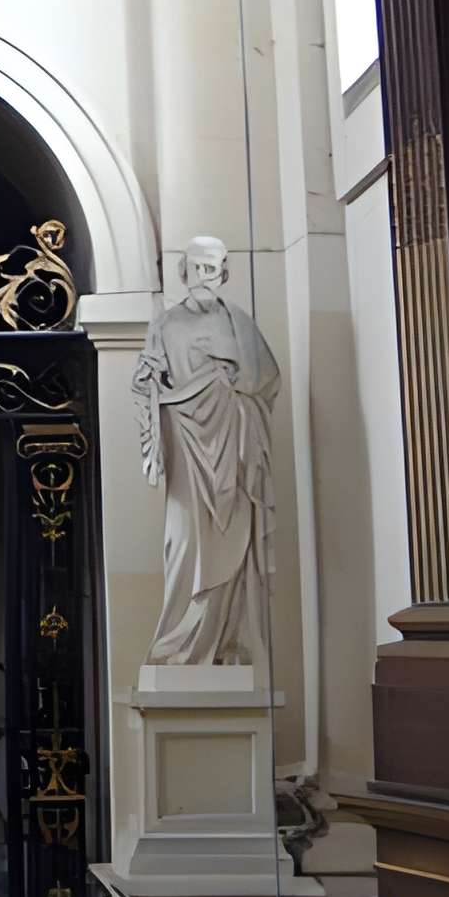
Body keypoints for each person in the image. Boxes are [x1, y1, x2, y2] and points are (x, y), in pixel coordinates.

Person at [132, 234, 279, 668]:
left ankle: (223, 644)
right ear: (184, 272)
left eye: (213, 268)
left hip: (231, 442)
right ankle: (179, 643)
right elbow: (146, 381)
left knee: (233, 540)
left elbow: (264, 379)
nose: (205, 276)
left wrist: (236, 393)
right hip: (186, 443)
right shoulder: (165, 324)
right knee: (184, 540)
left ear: (224, 271)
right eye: (198, 268)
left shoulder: (238, 322)